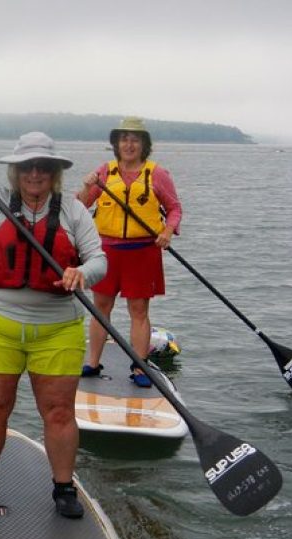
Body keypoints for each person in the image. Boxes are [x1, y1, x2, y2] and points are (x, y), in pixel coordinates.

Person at [0, 132, 107, 518]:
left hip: (58, 328)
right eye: (26, 167)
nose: (34, 174)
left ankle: (63, 488)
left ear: (54, 173)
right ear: (15, 172)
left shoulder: (73, 212)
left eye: (42, 167)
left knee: (59, 412)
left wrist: (82, 273)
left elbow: (99, 260)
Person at [77, 117, 182, 387]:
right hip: (106, 251)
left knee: (138, 310)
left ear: (144, 144)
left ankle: (139, 367)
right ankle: (92, 362)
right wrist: (88, 186)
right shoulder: (104, 172)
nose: (129, 144)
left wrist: (168, 232)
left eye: (135, 139)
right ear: (116, 144)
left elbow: (174, 209)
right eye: (124, 139)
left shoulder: (157, 174)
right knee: (100, 308)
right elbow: (80, 205)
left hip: (143, 251)